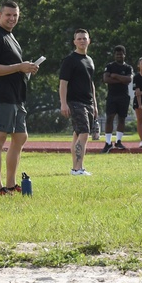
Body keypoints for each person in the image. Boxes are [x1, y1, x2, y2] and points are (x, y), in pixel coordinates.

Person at [0, 1, 39, 195]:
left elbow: (14, 66)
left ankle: (10, 184)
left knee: (21, 137)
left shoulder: (11, 37)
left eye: (15, 15)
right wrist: (18, 67)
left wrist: (27, 69)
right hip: (1, 95)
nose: (12, 18)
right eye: (8, 15)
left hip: (16, 96)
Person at [59, 29, 99, 175]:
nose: (82, 41)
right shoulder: (70, 60)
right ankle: (78, 168)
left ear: (89, 41)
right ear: (74, 41)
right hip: (75, 102)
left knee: (77, 134)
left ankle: (76, 167)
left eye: (84, 38)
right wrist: (63, 103)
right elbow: (63, 83)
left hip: (88, 102)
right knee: (84, 132)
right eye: (79, 39)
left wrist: (95, 104)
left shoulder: (89, 60)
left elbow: (91, 83)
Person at [101, 46, 133, 152]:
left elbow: (129, 80)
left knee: (122, 118)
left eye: (121, 54)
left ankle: (118, 141)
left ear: (124, 55)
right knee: (109, 117)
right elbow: (106, 79)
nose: (119, 56)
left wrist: (115, 76)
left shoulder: (128, 67)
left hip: (124, 96)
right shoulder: (109, 66)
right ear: (114, 55)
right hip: (112, 96)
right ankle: (108, 142)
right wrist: (121, 80)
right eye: (117, 54)